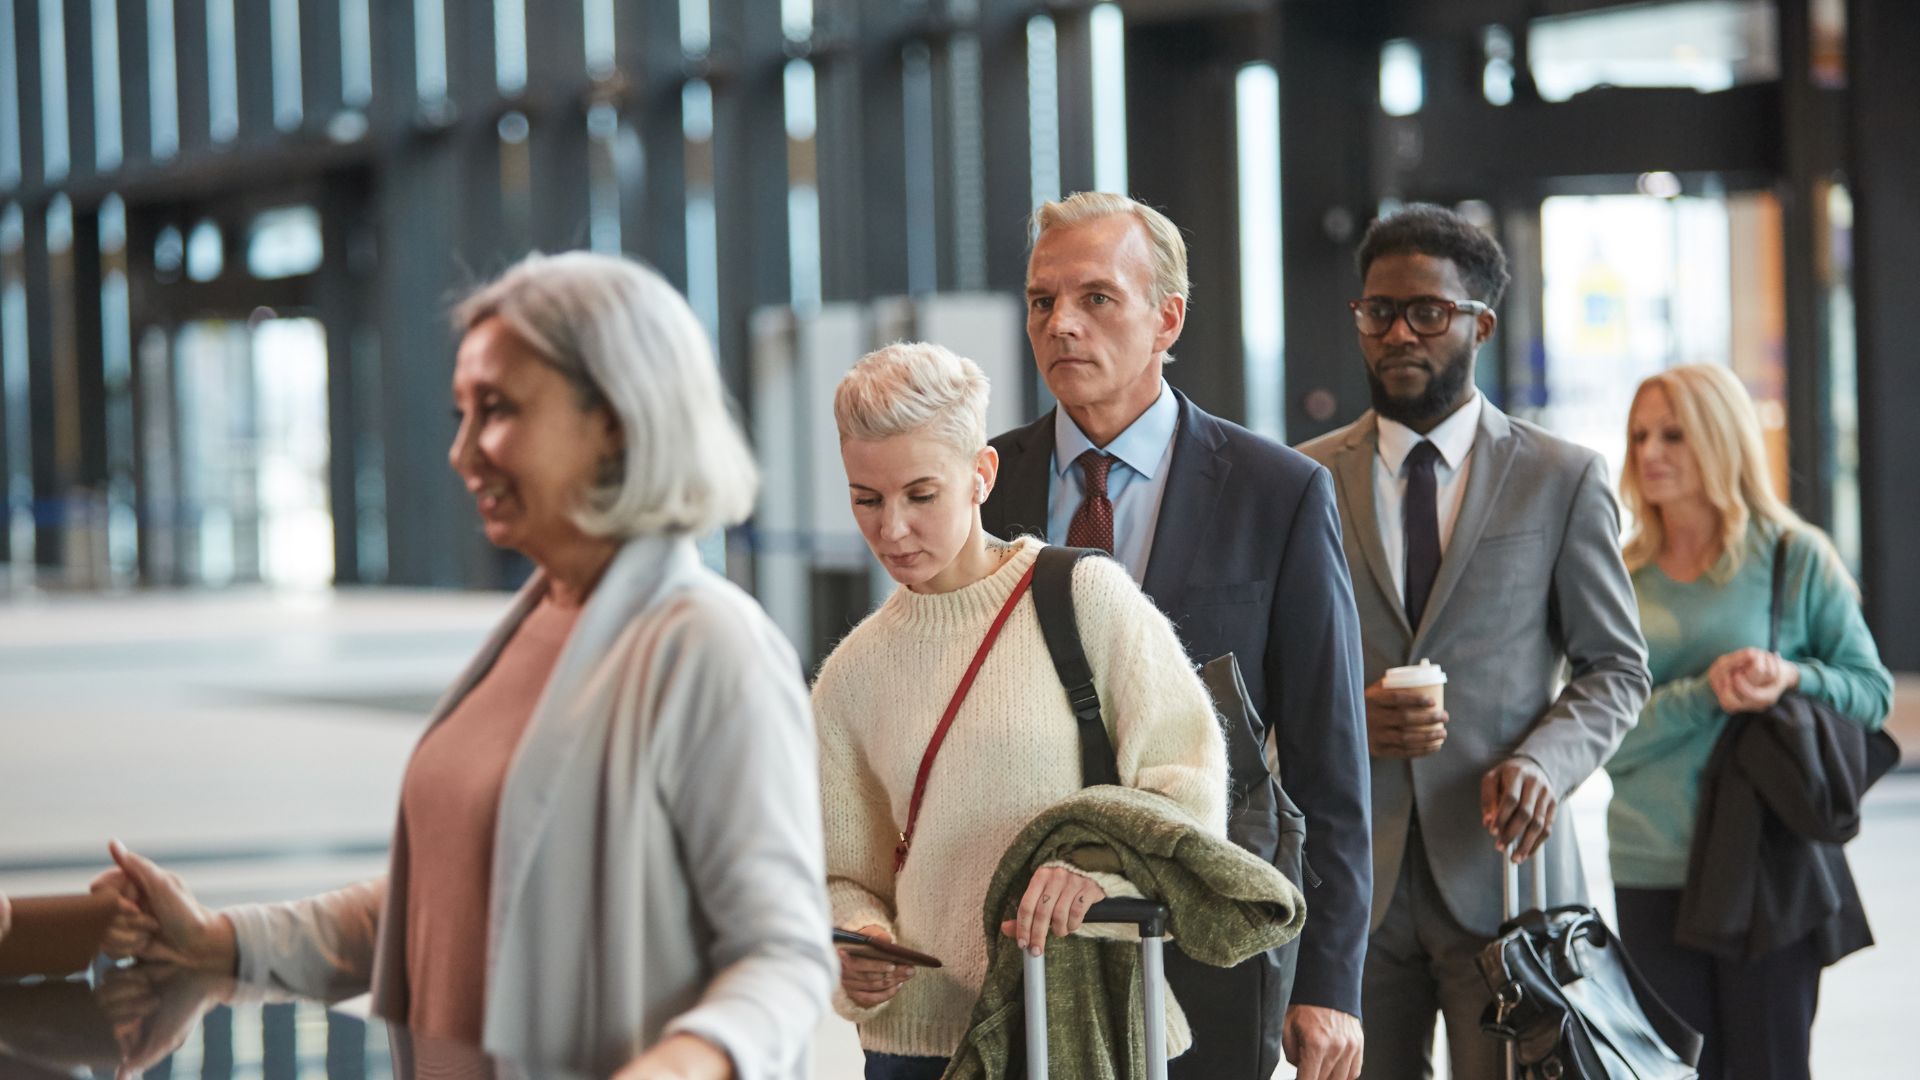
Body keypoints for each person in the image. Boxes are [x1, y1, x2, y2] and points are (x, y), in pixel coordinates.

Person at [91, 252, 833, 1080]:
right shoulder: (537, 620)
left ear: (617, 419)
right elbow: (441, 906)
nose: (462, 452)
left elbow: (785, 956)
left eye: (498, 410)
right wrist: (222, 942)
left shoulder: (710, 647)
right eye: (460, 412)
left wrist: (682, 1066)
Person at [982, 191, 1372, 1080]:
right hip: (1022, 931)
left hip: (1206, 936)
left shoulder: (1279, 494)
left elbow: (1329, 763)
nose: (1061, 325)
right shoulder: (986, 488)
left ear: (1168, 318)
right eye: (1043, 301)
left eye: (1095, 299)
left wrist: (1332, 980)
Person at [1296, 203, 1650, 1080]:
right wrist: (1344, 717)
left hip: (1506, 880)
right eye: (1378, 312)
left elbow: (1615, 667)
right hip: (1351, 886)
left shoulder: (1560, 478)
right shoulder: (1300, 480)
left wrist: (1546, 764)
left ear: (1480, 323)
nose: (1398, 333)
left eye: (1428, 312)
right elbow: (1270, 677)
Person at [816, 341, 1228, 1080]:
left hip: (1082, 1023)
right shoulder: (853, 672)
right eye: (866, 499)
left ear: (980, 476)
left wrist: (1101, 872)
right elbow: (840, 872)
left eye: (920, 494)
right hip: (919, 1050)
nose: (892, 530)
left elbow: (1190, 791)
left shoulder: (1084, 600)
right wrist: (859, 938)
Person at [1605, 364, 1893, 1080]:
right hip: (1650, 865)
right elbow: (1602, 737)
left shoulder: (1796, 560)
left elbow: (1872, 693)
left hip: (1766, 866)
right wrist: (1705, 694)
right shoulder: (1617, 575)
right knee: (1670, 1071)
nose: (1650, 453)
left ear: (1721, 439)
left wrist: (1790, 676)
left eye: (1674, 433)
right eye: (1640, 435)